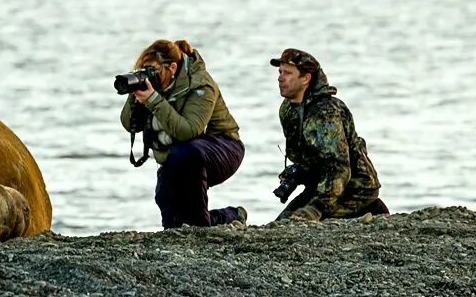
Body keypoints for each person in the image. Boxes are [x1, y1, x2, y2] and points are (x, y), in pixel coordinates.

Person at [120, 39, 246, 229]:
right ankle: (223, 219)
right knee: (172, 219)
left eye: (154, 71)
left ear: (172, 67)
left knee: (185, 155)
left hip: (223, 147)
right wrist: (135, 96)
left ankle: (232, 215)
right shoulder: (153, 88)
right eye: (144, 70)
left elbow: (188, 131)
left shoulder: (201, 84)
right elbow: (129, 124)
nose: (149, 76)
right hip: (178, 156)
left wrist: (153, 100)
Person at [271, 48, 388, 222]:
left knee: (300, 223)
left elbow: (339, 167)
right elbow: (311, 155)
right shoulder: (287, 109)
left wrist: (316, 208)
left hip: (355, 188)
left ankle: (369, 208)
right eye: (280, 72)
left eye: (287, 73)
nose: (280, 77)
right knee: (282, 223)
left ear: (306, 78)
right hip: (320, 185)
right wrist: (298, 173)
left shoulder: (326, 113)